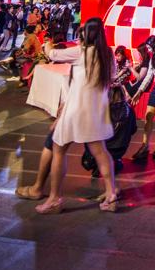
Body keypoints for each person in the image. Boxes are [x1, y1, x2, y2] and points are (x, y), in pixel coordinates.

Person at [35, 17, 118, 215]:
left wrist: (47, 39)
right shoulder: (108, 54)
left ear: (88, 34)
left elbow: (51, 53)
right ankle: (110, 194)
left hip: (75, 110)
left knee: (59, 149)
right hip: (96, 111)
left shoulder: (81, 52)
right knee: (100, 152)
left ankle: (54, 198)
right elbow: (112, 78)